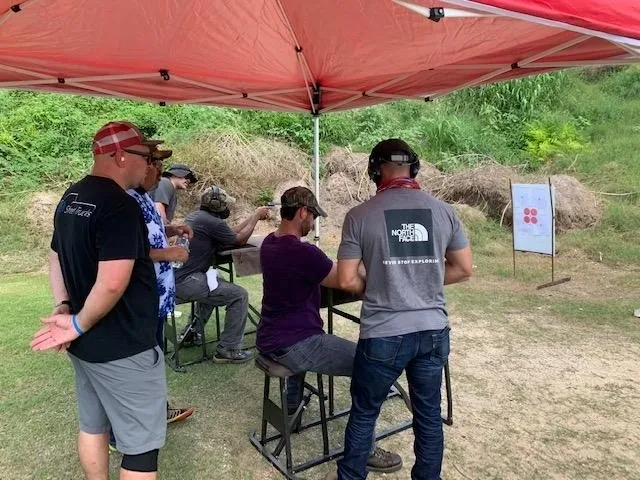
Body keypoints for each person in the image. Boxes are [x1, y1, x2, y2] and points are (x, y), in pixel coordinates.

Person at [30, 121, 168, 480]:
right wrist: (76, 321)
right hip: (123, 347)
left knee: (93, 425)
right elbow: (113, 282)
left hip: (85, 346)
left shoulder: (72, 195)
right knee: (140, 447)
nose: (149, 165)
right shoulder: (120, 205)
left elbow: (55, 253)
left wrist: (64, 305)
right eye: (145, 156)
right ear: (121, 155)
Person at [333, 139, 473, 480]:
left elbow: (347, 280)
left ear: (375, 170)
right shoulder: (444, 211)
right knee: (428, 414)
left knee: (365, 412)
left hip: (384, 333)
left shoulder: (359, 216)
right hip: (433, 331)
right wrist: (419, 278)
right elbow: (463, 269)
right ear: (414, 168)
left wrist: (384, 281)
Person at [257, 186, 402, 474]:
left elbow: (300, 282)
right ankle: (366, 450)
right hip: (296, 343)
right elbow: (346, 280)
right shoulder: (304, 252)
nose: (313, 222)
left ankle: (291, 409)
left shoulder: (269, 244)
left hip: (271, 337)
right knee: (368, 364)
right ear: (302, 213)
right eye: (312, 216)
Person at [125, 147, 194, 431]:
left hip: (157, 297)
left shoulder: (143, 197)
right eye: (153, 162)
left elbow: (150, 234)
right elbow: (128, 249)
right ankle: (134, 422)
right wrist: (169, 254)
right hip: (141, 296)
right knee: (141, 361)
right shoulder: (126, 201)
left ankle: (157, 409)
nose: (156, 168)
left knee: (153, 357)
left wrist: (173, 231)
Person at [174, 185, 269, 363]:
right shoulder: (212, 222)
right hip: (187, 281)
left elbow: (229, 233)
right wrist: (256, 217)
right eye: (225, 205)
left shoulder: (198, 216)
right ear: (217, 206)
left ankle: (192, 333)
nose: (228, 208)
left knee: (218, 282)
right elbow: (239, 240)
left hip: (180, 277)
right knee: (239, 295)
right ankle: (229, 349)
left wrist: (252, 216)